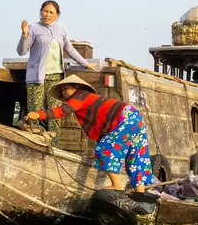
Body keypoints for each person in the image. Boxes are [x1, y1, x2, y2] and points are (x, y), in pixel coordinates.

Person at [24, 75, 155, 193]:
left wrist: (39, 114)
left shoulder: (79, 97)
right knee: (136, 155)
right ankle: (140, 193)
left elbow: (62, 111)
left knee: (105, 149)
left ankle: (116, 185)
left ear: (77, 87)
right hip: (134, 117)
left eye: (66, 88)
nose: (63, 93)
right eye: (62, 91)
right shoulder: (87, 99)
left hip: (124, 118)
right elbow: (103, 127)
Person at [17, 0, 95, 142]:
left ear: (57, 15)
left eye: (51, 12)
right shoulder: (33, 28)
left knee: (54, 112)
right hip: (36, 78)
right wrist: (24, 35)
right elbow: (22, 51)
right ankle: (34, 143)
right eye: (45, 11)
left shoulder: (61, 29)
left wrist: (85, 63)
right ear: (40, 12)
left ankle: (54, 144)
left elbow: (69, 48)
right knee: (35, 111)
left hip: (56, 76)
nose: (47, 14)